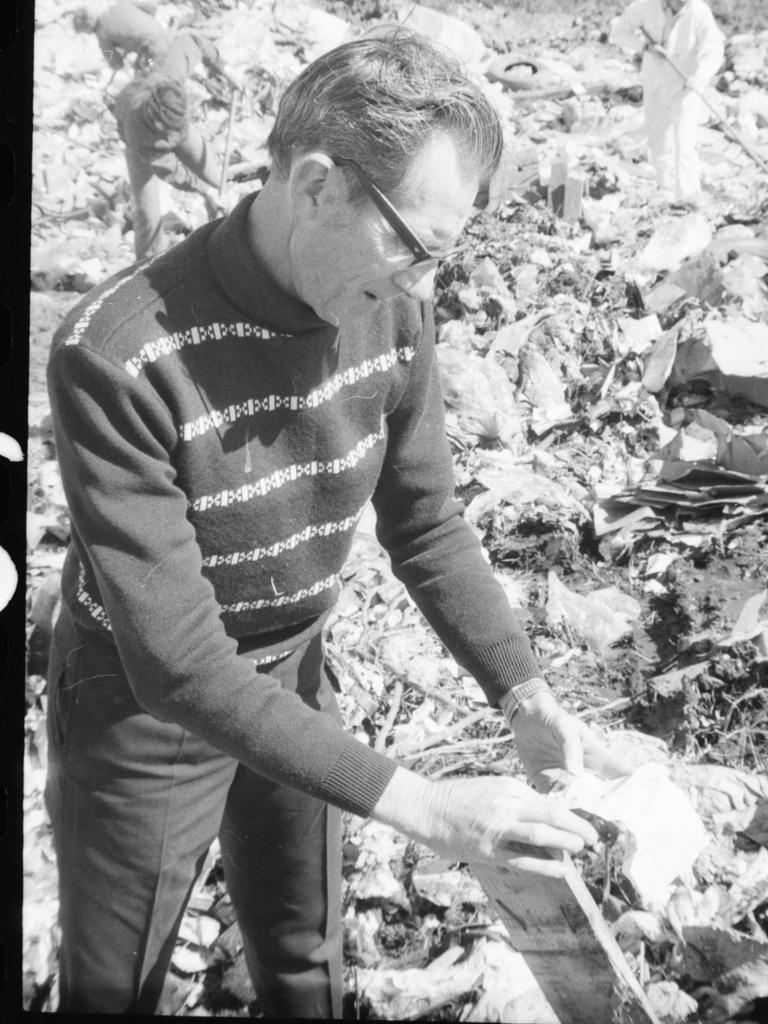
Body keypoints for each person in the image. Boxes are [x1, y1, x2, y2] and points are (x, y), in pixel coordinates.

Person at [45, 30, 633, 1017]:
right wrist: (427, 806)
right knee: (115, 982)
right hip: (143, 716)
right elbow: (180, 663)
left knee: (304, 950)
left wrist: (522, 688)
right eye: (411, 246)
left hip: (297, 671)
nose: (421, 284)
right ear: (316, 185)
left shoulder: (391, 310)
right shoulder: (116, 356)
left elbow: (429, 523)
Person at [111, 31, 243, 259]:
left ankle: (228, 230)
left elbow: (193, 40)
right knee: (148, 214)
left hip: (176, 123)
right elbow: (170, 170)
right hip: (141, 146)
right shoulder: (138, 130)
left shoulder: (171, 72)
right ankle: (147, 266)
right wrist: (202, 191)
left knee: (216, 178)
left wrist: (224, 69)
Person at [609, 0, 725, 207]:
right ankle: (669, 194)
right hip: (655, 82)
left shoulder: (698, 11)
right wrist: (644, 47)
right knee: (659, 139)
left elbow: (714, 49)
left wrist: (699, 77)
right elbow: (619, 33)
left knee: (684, 143)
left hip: (685, 85)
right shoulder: (645, 6)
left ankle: (689, 198)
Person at [73, 1, 171, 73]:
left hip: (155, 54)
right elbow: (151, 6)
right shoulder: (120, 4)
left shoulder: (102, 37)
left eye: (84, 32)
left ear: (87, 26)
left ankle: (152, 65)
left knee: (140, 67)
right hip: (163, 32)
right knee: (142, 59)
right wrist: (147, 25)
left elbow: (117, 64)